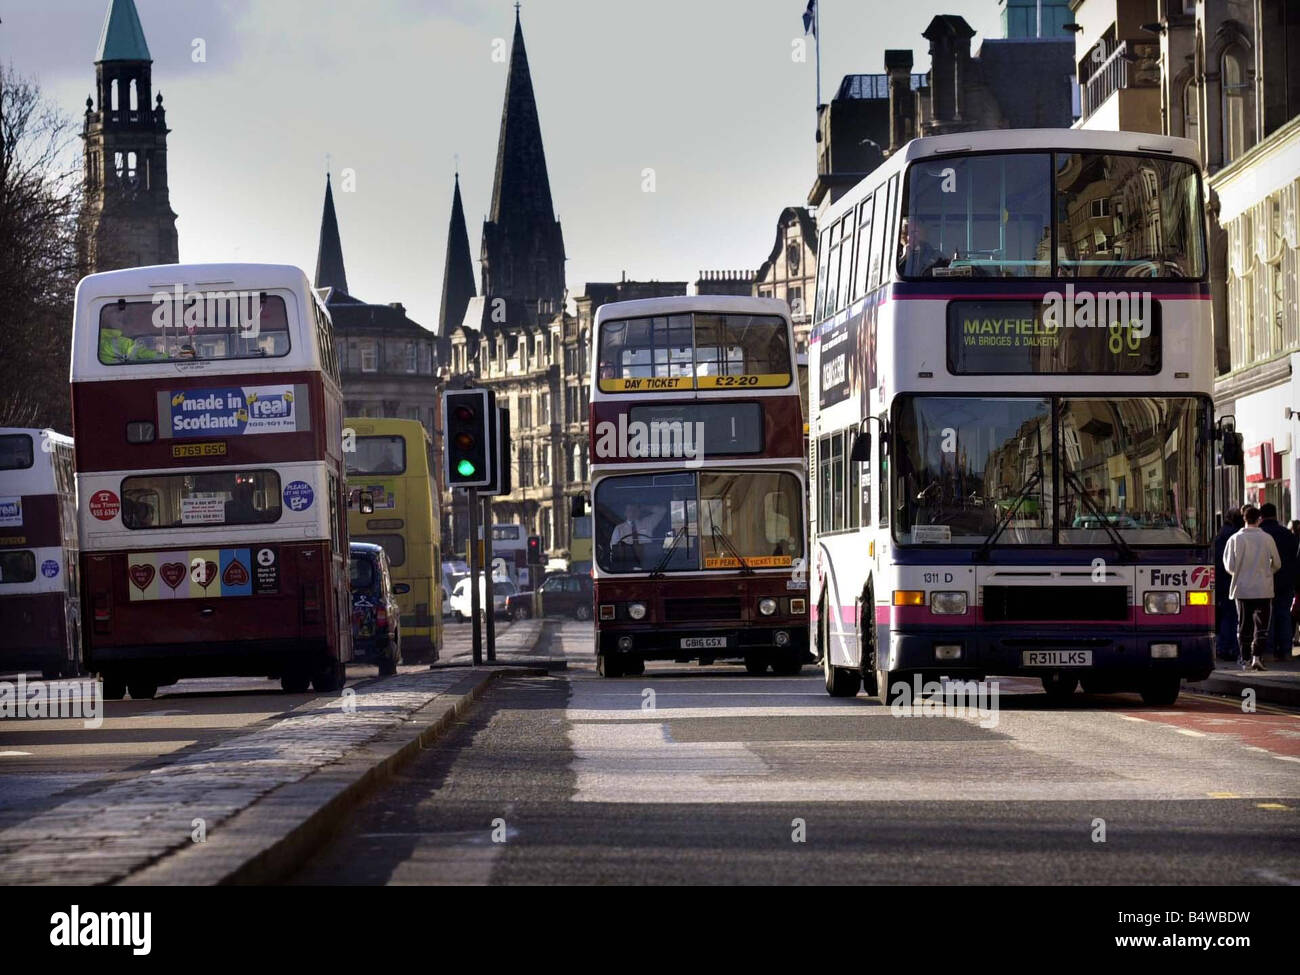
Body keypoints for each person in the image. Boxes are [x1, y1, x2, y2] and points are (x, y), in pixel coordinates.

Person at [1222, 505, 1280, 671]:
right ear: (1259, 519)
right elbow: (1277, 563)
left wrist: (1239, 572)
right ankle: (1257, 657)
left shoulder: (1234, 539)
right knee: (1261, 627)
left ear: (1244, 519)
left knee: (1243, 625)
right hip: (1263, 588)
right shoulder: (1267, 538)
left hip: (1242, 588)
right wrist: (1267, 573)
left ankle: (1245, 659)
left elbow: (1229, 566)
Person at [1257, 502, 1297, 662]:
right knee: (1284, 615)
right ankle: (1286, 650)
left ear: (1262, 516)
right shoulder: (1288, 534)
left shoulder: (1261, 534)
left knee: (1268, 616)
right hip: (1286, 581)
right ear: (1276, 514)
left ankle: (1269, 650)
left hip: (1265, 581)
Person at [1214, 509, 1243, 662]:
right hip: (1231, 581)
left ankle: (1225, 646)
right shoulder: (1235, 535)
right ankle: (1228, 647)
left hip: (1225, 581)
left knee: (1227, 615)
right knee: (1231, 616)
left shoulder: (1221, 535)